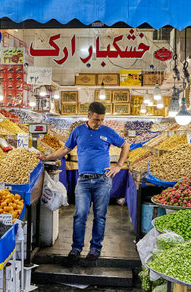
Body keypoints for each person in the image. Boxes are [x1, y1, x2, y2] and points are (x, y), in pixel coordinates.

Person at [37, 102, 130, 263]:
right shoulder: (78, 131)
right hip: (83, 181)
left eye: (101, 120)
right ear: (88, 116)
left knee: (100, 216)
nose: (98, 123)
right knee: (80, 215)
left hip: (103, 180)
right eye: (96, 119)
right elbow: (65, 149)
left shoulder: (107, 131)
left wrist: (119, 166)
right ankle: (76, 248)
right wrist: (47, 157)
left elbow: (125, 145)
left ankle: (95, 248)